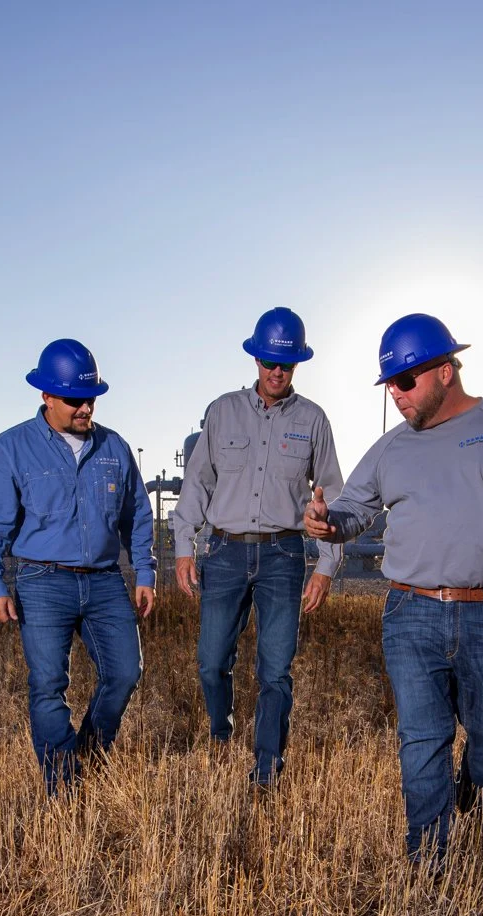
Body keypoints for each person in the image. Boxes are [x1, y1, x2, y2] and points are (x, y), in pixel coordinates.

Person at [303, 313, 483, 865]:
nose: (397, 396)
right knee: (422, 742)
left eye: (406, 382)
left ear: (445, 371)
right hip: (410, 612)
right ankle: (431, 869)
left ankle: (475, 802)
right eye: (390, 386)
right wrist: (330, 524)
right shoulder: (390, 449)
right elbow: (354, 508)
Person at [0, 338, 156, 792]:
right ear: (46, 395)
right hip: (41, 580)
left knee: (125, 672)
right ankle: (64, 785)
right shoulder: (10, 449)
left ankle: (87, 758)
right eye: (75, 399)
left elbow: (139, 514)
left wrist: (146, 572)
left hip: (104, 580)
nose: (85, 408)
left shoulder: (115, 448)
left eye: (91, 398)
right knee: (49, 684)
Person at [170, 307, 345, 786]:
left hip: (284, 555)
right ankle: (221, 731)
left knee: (274, 669)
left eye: (286, 364)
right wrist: (184, 544)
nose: (277, 371)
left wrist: (326, 564)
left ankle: (267, 765)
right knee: (210, 662)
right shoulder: (222, 411)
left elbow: (331, 495)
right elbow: (197, 483)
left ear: (297, 366)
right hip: (224, 553)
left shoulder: (313, 420)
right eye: (269, 361)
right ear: (255, 359)